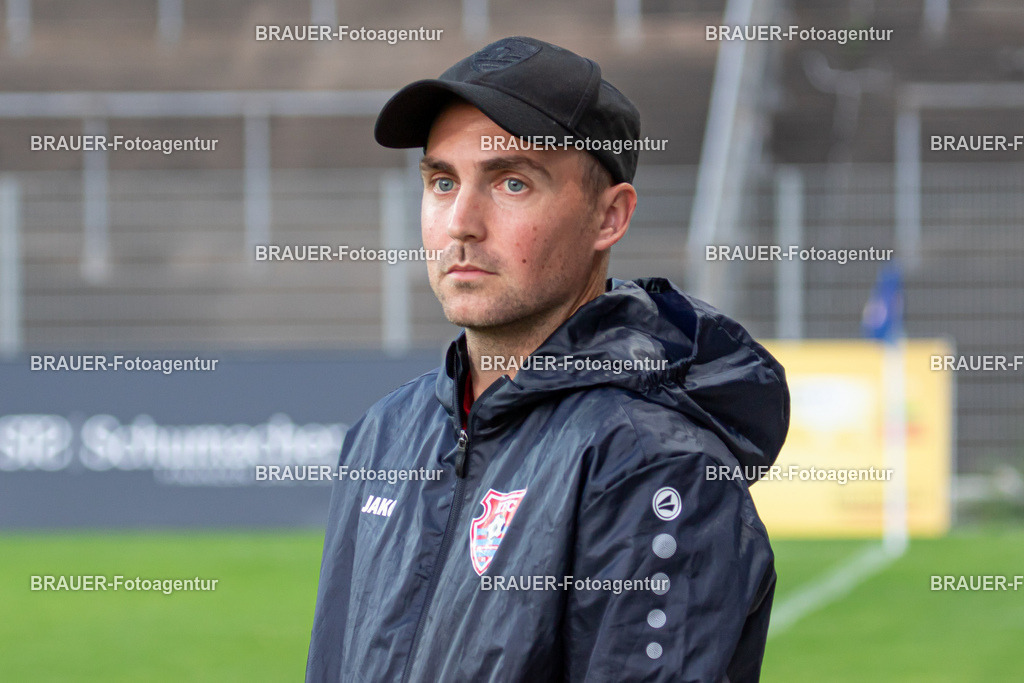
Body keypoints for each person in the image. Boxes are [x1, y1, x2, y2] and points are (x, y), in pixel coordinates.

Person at [306, 36, 789, 682]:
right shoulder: (383, 434)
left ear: (608, 217)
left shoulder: (655, 464)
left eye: (511, 182)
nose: (460, 223)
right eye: (442, 182)